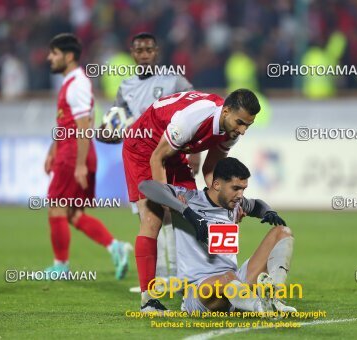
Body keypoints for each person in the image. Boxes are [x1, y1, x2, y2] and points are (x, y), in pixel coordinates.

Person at [122, 89, 260, 311]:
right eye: (240, 123)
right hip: (145, 147)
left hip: (174, 151)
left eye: (248, 125)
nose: (242, 131)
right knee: (153, 219)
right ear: (225, 112)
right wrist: (166, 200)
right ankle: (148, 299)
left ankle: (200, 285)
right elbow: (157, 157)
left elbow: (211, 172)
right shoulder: (191, 120)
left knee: (196, 213)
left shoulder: (230, 130)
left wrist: (225, 202)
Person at [98, 32, 197, 288]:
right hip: (139, 157)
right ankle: (160, 278)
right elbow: (116, 117)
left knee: (172, 213)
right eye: (139, 50)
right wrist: (106, 130)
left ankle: (178, 275)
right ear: (132, 53)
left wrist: (195, 152)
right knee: (148, 215)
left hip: (168, 154)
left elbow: (195, 111)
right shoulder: (126, 86)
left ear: (156, 52)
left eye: (149, 50)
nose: (144, 55)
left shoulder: (174, 80)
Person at [139, 157, 296, 313]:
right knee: (227, 278)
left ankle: (274, 298)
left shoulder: (236, 204)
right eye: (235, 188)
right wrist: (185, 211)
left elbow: (257, 204)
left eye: (243, 189)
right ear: (217, 184)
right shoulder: (189, 199)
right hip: (200, 292)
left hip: (236, 282)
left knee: (282, 232)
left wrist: (268, 211)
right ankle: (260, 306)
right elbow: (146, 186)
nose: (240, 194)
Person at [44, 33, 131, 279]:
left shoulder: (78, 84)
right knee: (74, 214)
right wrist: (52, 150)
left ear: (68, 56)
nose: (49, 58)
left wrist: (79, 164)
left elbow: (83, 127)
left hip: (73, 156)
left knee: (56, 209)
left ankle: (61, 266)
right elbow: (66, 123)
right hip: (69, 153)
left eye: (55, 53)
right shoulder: (72, 82)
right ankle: (116, 247)